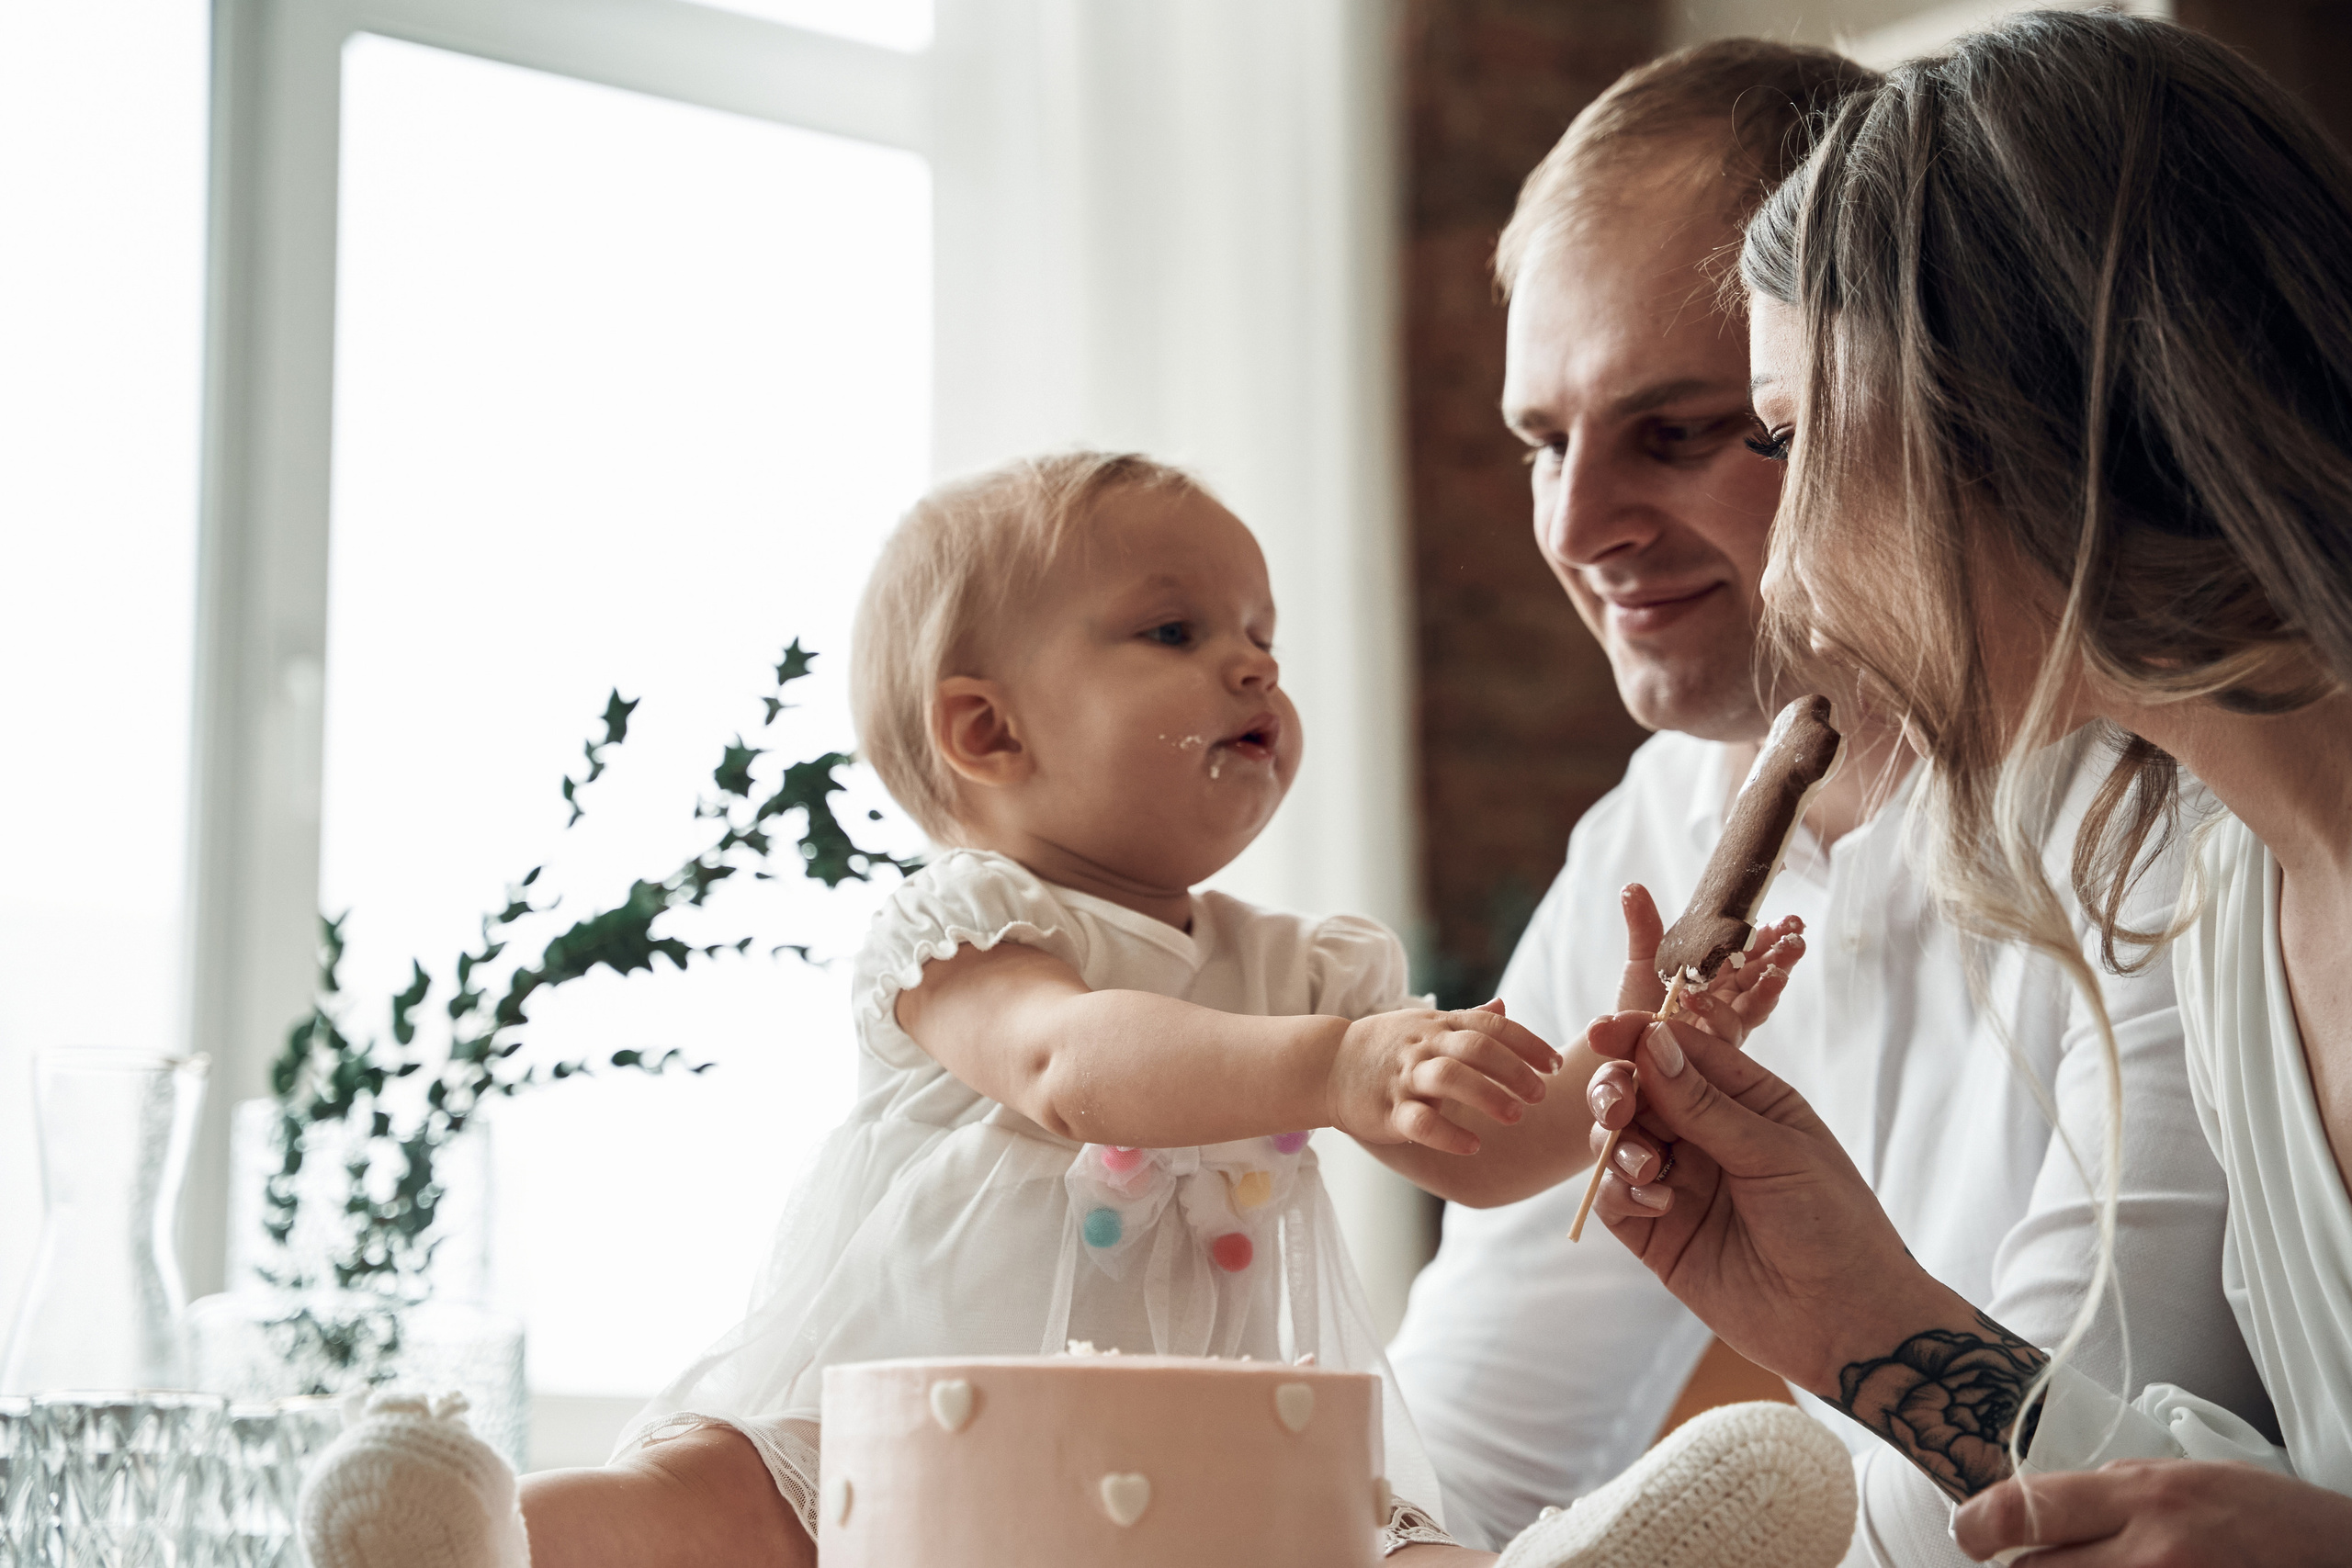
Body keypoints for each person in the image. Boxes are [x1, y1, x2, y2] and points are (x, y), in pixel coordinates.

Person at [307, 451, 1809, 1568]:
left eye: (1262, 634)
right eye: (1172, 632)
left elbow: (1475, 1161)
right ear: (986, 728)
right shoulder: (965, 933)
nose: (1251, 662)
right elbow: (1073, 1064)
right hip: (883, 1436)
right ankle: (482, 1542)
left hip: (1207, 1464)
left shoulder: (1297, 967)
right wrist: (1341, 1065)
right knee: (710, 1505)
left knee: (1377, 1542)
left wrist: (1641, 1058)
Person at [1382, 37, 2270, 1566]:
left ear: (1902, 399)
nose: (1580, 525)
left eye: (1689, 429)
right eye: (1543, 443)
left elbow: (2071, 1510)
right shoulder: (1662, 827)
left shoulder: (2180, 816)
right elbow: (1460, 1444)